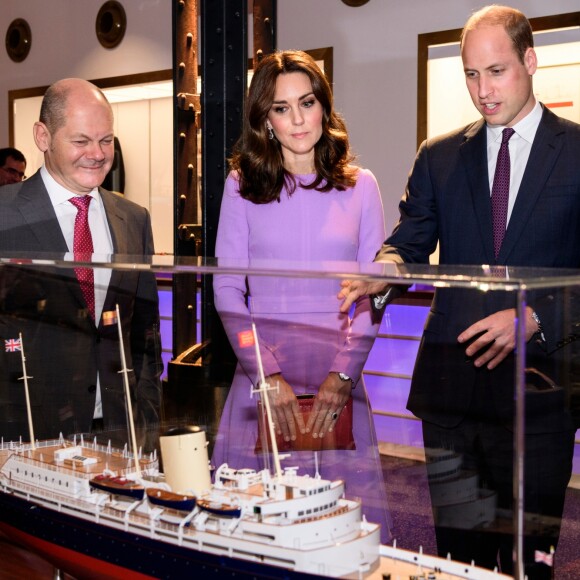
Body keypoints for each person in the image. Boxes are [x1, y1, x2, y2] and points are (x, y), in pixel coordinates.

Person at [340, 5, 580, 578]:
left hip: (539, 397)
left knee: (529, 562)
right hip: (452, 398)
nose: (483, 91)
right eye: (471, 75)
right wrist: (388, 267)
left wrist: (534, 318)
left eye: (496, 72)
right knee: (458, 560)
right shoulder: (440, 156)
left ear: (530, 61)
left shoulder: (576, 153)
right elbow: (411, 239)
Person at [212, 50, 392, 542]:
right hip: (263, 383)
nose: (297, 119)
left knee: (341, 532)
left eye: (306, 103)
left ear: (323, 106)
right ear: (265, 120)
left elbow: (373, 292)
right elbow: (227, 286)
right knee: (254, 533)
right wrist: (264, 372)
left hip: (339, 379)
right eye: (281, 108)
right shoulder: (240, 186)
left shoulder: (361, 186)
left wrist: (344, 372)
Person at [0, 78, 162, 451]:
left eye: (106, 140)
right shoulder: (4, 215)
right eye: (81, 141)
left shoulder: (133, 219)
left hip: (119, 434)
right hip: (25, 434)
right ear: (43, 137)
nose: (97, 153)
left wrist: (147, 417)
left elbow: (145, 336)